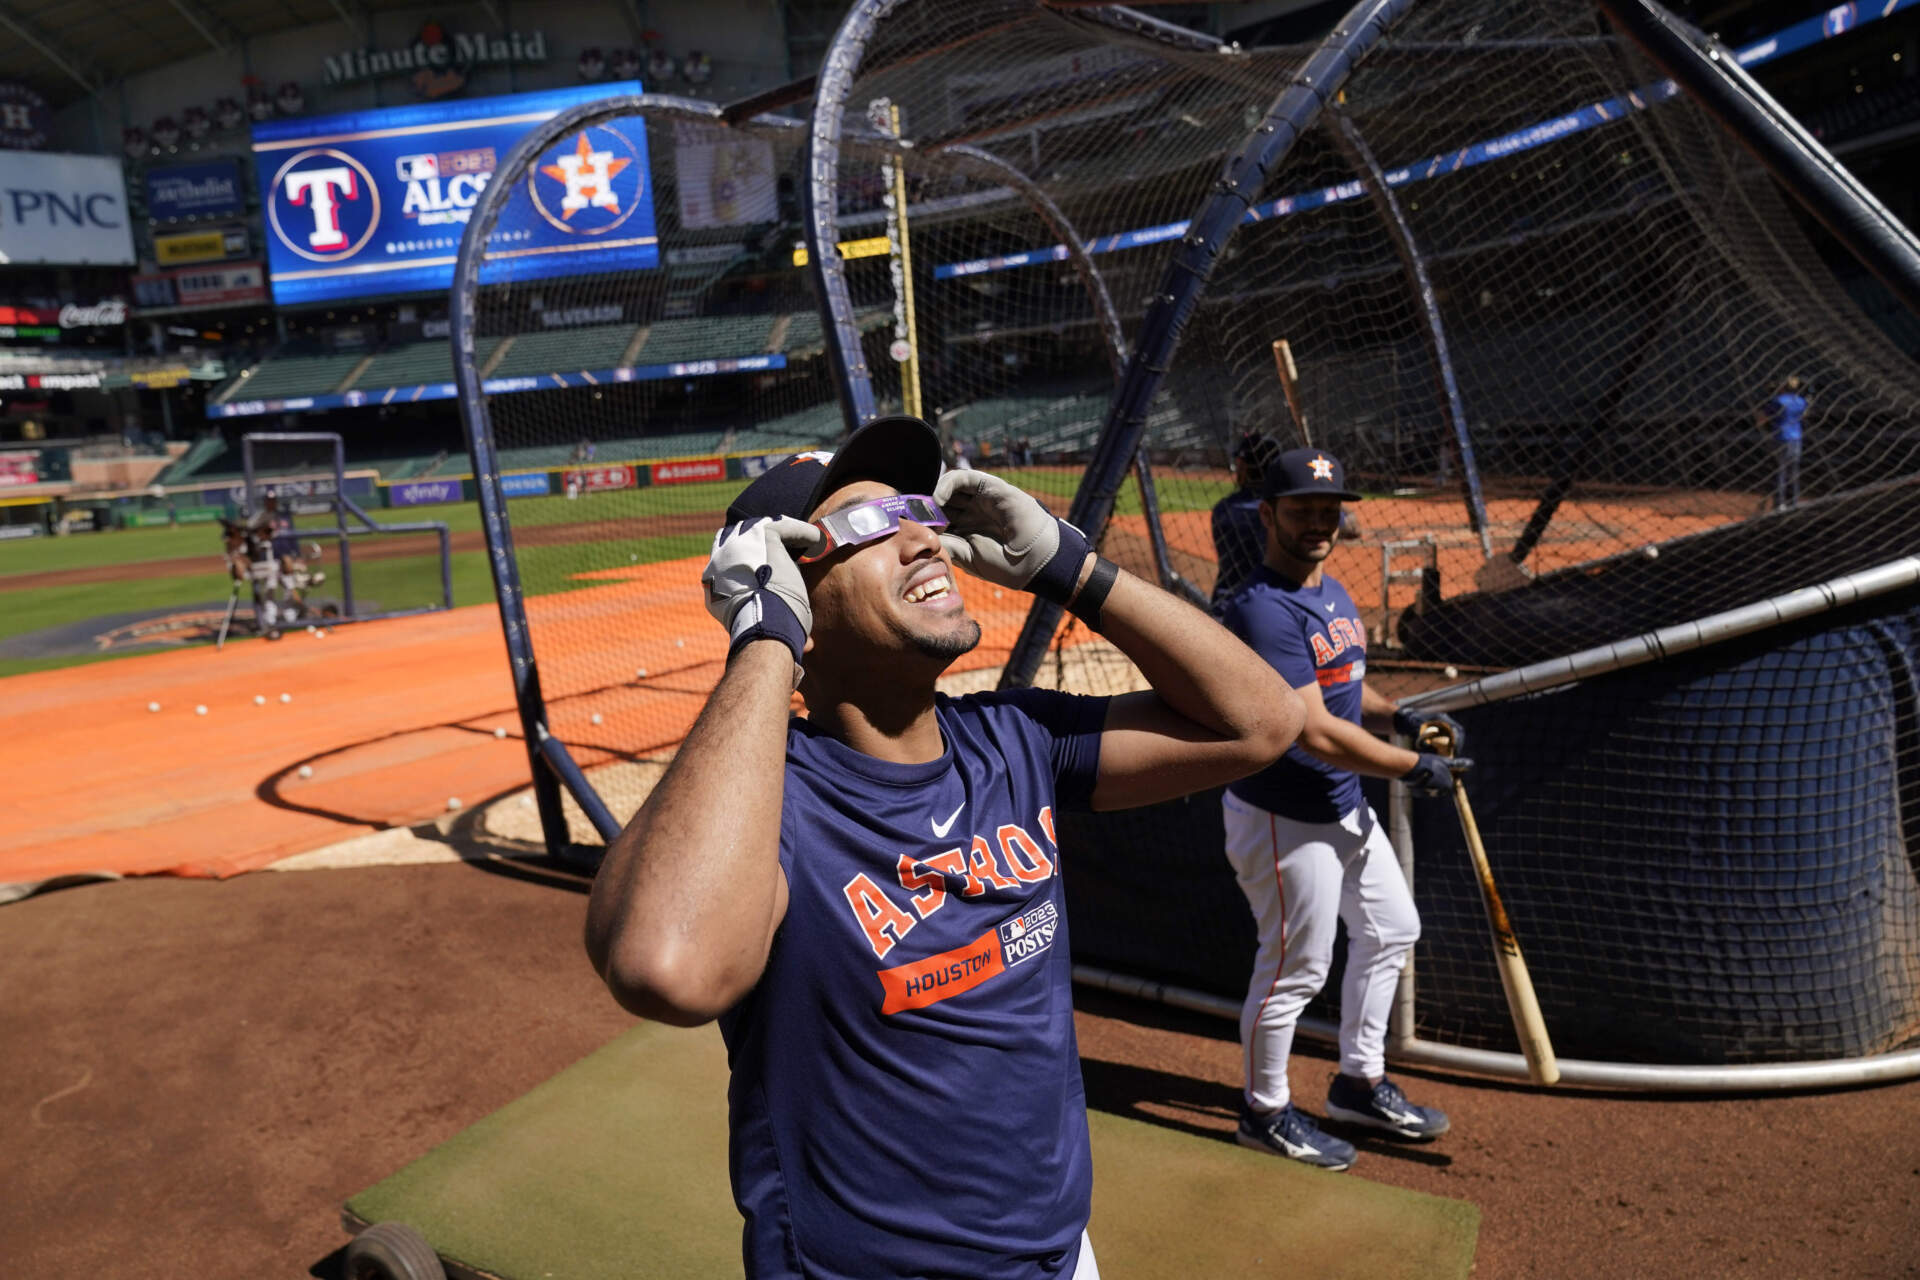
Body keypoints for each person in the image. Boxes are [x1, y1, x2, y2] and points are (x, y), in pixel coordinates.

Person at [585, 415, 1303, 1278]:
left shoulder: (1016, 738)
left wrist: (1069, 566)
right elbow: (667, 967)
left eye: (918, 512)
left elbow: (1263, 723)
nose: (926, 540)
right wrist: (766, 637)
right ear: (790, 587)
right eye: (868, 526)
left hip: (1058, 1255)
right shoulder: (772, 800)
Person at [1215, 446, 1470, 1172]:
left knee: (1394, 928)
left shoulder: (1333, 595)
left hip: (1340, 807)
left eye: (1329, 510)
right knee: (1296, 967)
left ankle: (1358, 1083)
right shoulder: (1262, 611)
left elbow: (1347, 699)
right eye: (1303, 510)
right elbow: (1317, 730)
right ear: (1268, 515)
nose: (1319, 522)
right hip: (1283, 815)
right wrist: (1413, 766)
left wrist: (1405, 719)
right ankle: (1262, 1112)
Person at [1209, 431, 1280, 610]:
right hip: (1274, 606)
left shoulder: (1223, 509)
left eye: (1240, 464)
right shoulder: (1287, 510)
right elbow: (1350, 527)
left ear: (1245, 468)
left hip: (1226, 604)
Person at [1759, 375, 1807, 509]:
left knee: (1780, 471)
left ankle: (1779, 503)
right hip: (1796, 438)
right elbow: (1803, 415)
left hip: (1781, 438)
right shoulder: (1800, 401)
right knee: (1793, 472)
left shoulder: (1778, 401)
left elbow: (1763, 418)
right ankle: (1793, 502)